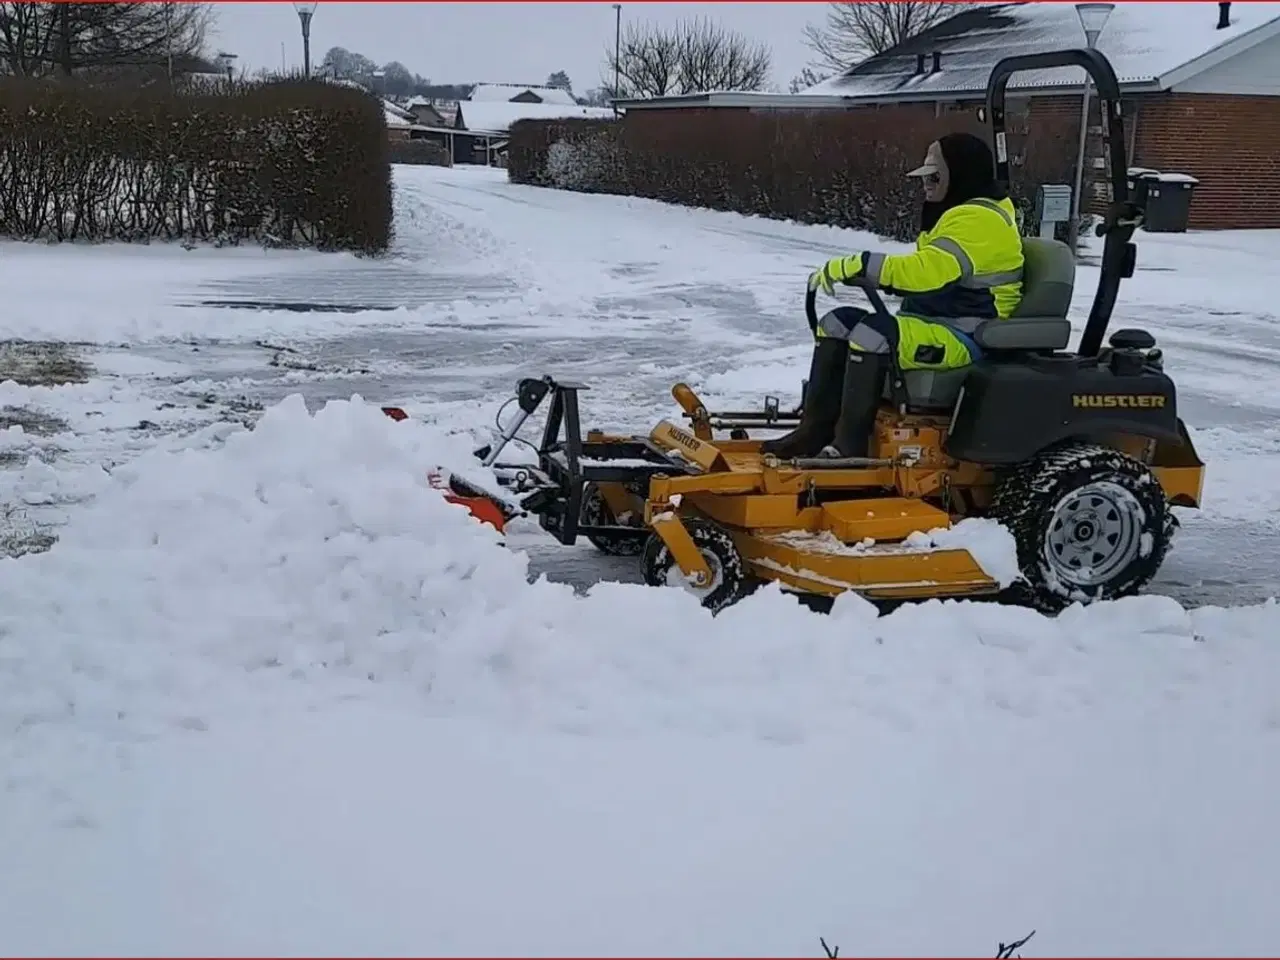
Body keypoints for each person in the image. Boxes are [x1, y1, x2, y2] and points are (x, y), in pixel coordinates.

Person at [760, 132, 1025, 460]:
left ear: (961, 173)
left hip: (966, 334)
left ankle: (849, 447)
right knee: (836, 323)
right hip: (932, 324)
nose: (925, 184)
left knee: (872, 334)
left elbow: (925, 272)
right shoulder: (958, 212)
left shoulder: (981, 220)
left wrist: (861, 264)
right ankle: (814, 430)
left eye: (934, 176)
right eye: (924, 176)